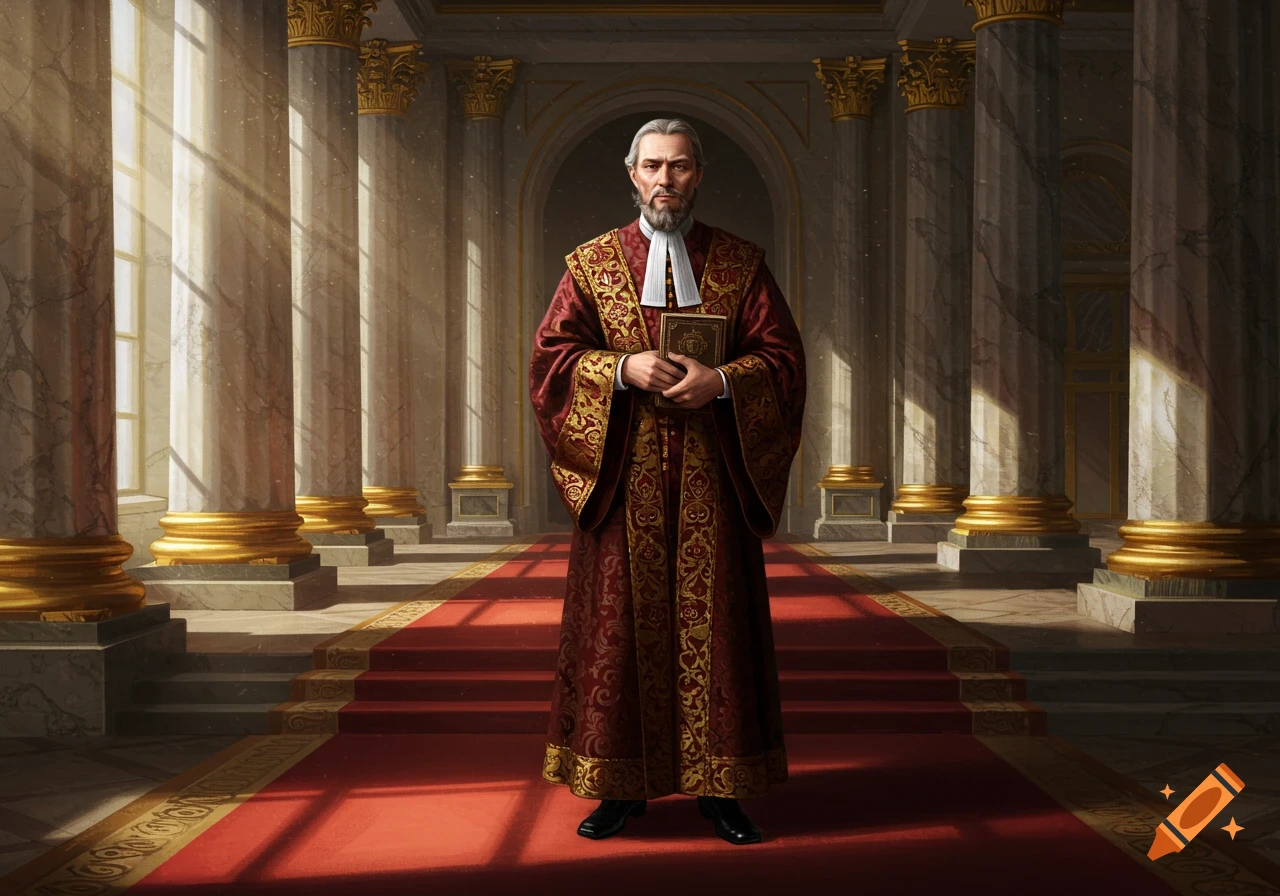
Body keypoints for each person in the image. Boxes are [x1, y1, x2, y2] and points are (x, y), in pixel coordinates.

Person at [528, 118, 806, 846]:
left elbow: (783, 360)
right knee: (620, 631)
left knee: (720, 633)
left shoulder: (740, 264)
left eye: (678, 167)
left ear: (697, 175)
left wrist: (724, 381)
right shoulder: (590, 265)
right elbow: (551, 359)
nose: (664, 181)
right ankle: (620, 788)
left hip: (715, 479)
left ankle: (723, 789)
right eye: (652, 166)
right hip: (626, 485)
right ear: (633, 175)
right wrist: (621, 368)